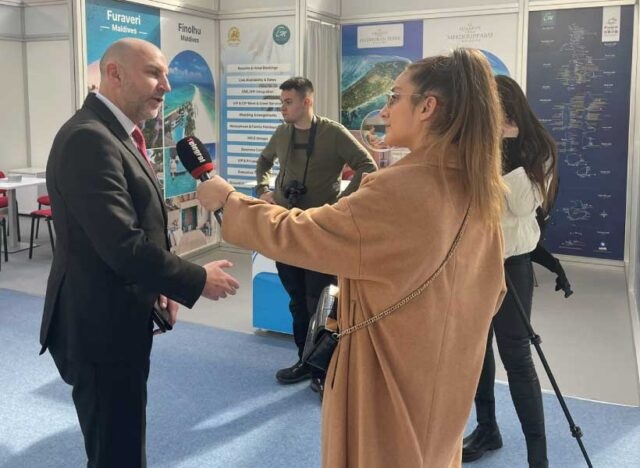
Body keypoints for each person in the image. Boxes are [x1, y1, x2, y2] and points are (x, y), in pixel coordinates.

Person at [197, 48, 507, 467]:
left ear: (427, 108)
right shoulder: (480, 188)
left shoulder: (398, 189)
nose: (385, 110)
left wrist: (229, 202)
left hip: (390, 373)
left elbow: (300, 234)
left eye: (395, 97)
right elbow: (492, 291)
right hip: (446, 378)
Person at [40, 38, 240, 468]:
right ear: (114, 74)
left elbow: (138, 225)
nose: (166, 85)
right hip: (98, 329)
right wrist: (195, 279)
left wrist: (158, 286)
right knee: (117, 452)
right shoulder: (88, 139)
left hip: (119, 316)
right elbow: (122, 245)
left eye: (165, 74)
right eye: (153, 73)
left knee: (124, 441)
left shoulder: (118, 134)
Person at [255, 76, 377, 396]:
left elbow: (367, 165)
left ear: (307, 102)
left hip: (321, 230)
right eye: (281, 102)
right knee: (297, 300)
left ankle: (325, 369)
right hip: (287, 227)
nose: (283, 108)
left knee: (321, 302)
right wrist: (263, 188)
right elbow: (264, 160)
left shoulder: (332, 133)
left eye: (288, 102)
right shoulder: (282, 133)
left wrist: (340, 204)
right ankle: (304, 361)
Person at [461, 75, 559, 468]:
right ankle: (487, 428)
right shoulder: (474, 142)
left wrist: (503, 146)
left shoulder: (538, 146)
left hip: (512, 261)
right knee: (476, 350)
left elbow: (520, 205)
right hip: (473, 260)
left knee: (516, 354)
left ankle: (538, 456)